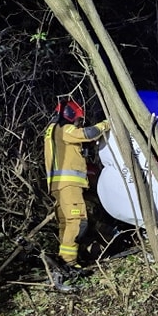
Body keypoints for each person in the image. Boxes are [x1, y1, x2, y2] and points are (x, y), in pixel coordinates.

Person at [43, 98, 110, 268]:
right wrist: (106, 124)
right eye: (78, 120)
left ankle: (64, 260)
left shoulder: (51, 131)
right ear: (70, 114)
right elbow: (87, 133)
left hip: (57, 186)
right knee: (78, 221)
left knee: (66, 223)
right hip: (68, 185)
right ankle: (69, 262)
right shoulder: (63, 128)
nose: (79, 124)